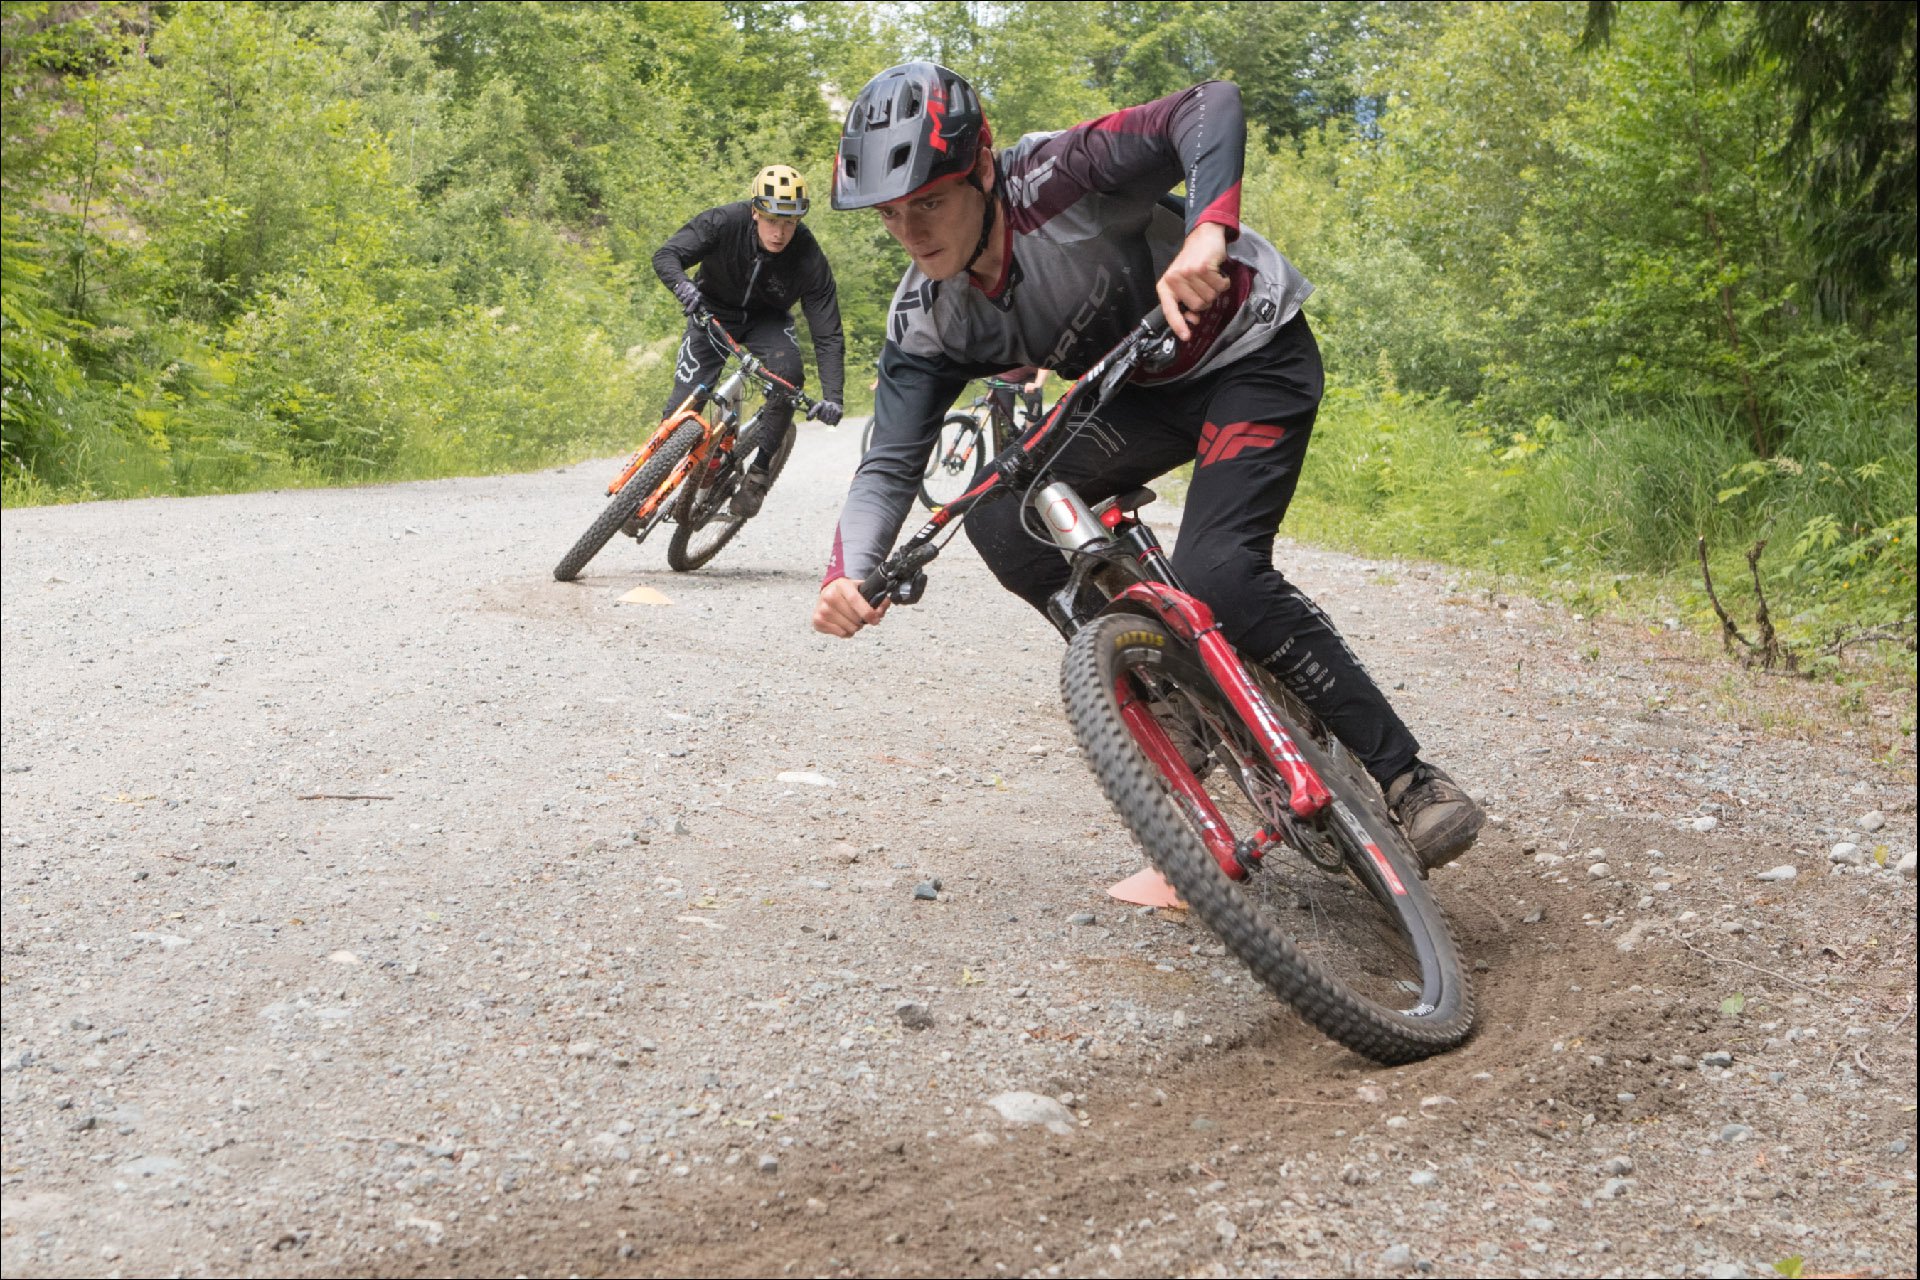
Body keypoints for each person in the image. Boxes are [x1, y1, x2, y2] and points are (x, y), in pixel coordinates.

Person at [811, 64, 1484, 870]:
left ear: (983, 170)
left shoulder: (1058, 176)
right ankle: (1166, 694)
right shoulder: (928, 319)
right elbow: (889, 463)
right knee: (998, 517)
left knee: (1221, 573)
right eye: (890, 215)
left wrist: (1208, 228)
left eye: (931, 202)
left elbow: (1210, 105)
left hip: (1249, 354)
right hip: (1135, 390)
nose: (913, 233)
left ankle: (1408, 777)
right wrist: (850, 571)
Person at [652, 164, 846, 518]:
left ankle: (757, 475)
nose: (780, 233)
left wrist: (833, 396)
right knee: (682, 406)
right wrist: (682, 286)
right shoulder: (723, 222)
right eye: (772, 220)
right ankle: (651, 484)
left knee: (789, 376)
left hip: (767, 321)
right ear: (755, 211)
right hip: (711, 309)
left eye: (790, 223)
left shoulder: (808, 256)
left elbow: (827, 331)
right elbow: (667, 255)